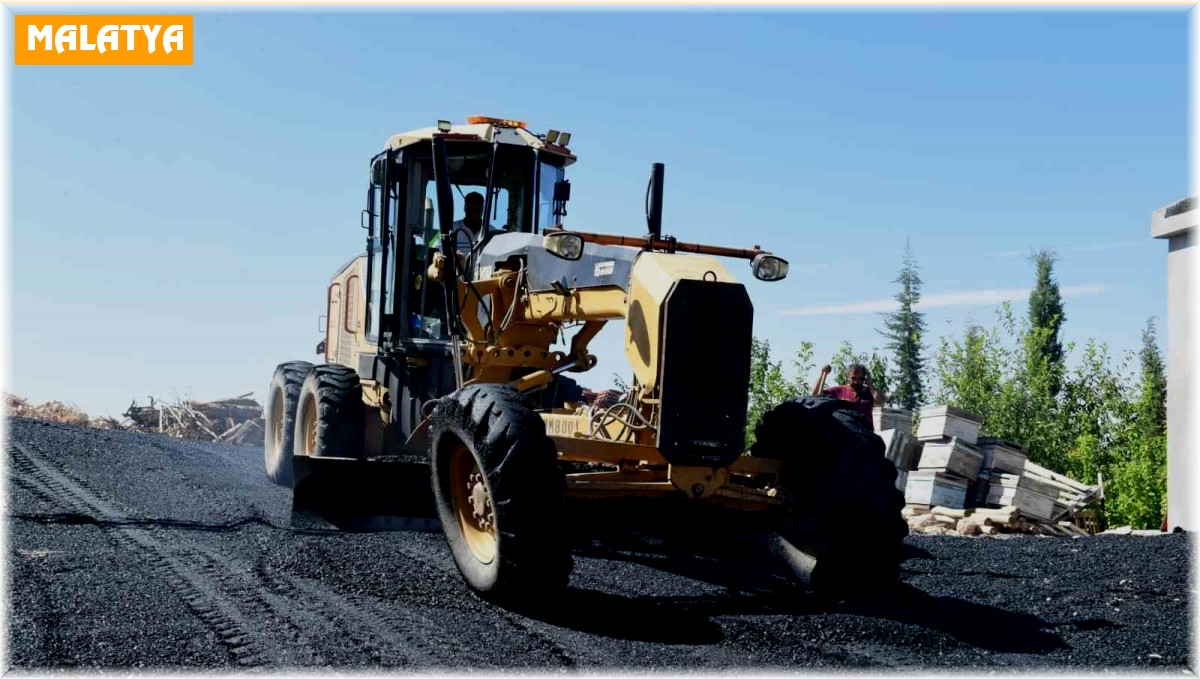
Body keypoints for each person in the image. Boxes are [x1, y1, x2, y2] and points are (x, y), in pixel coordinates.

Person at [813, 362, 885, 428]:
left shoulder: (869, 392)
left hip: (865, 435)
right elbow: (816, 395)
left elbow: (880, 401)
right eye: (853, 378)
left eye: (860, 379)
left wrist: (870, 384)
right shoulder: (839, 391)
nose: (856, 381)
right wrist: (823, 373)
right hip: (845, 435)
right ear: (848, 377)